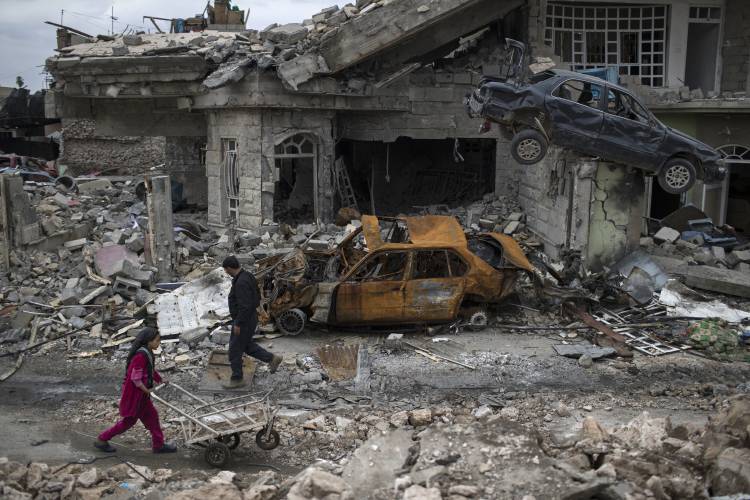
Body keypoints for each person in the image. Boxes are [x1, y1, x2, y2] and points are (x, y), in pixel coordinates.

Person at [94, 327, 177, 454]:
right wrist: (147, 390)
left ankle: (159, 445)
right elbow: (136, 379)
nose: (158, 343)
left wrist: (160, 379)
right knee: (127, 423)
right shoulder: (140, 356)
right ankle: (102, 439)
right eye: (157, 340)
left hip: (142, 397)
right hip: (136, 397)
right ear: (149, 341)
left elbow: (149, 370)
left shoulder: (148, 353)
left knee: (153, 418)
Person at [222, 255, 282, 389]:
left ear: (230, 268)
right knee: (247, 346)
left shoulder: (241, 282)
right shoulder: (247, 276)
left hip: (244, 320)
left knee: (234, 350)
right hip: (249, 318)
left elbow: (245, 306)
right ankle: (272, 359)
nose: (226, 272)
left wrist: (238, 323)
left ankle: (237, 379)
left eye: (226, 270)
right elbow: (255, 297)